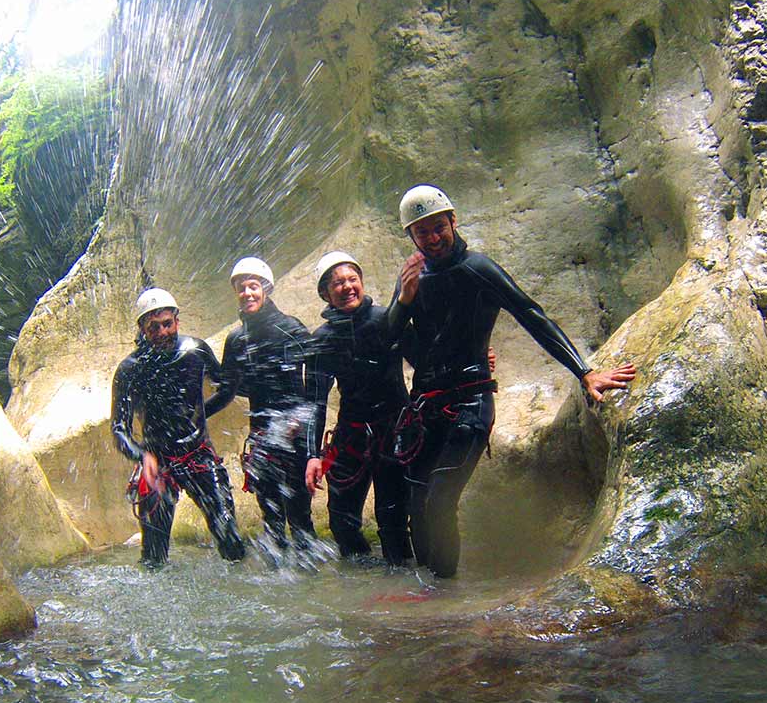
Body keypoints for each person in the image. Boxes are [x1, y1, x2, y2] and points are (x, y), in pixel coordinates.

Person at [388, 184, 636, 577]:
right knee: (416, 500)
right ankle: (426, 593)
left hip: (469, 401)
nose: (433, 238)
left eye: (439, 227)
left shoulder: (478, 269)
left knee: (439, 500)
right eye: (423, 232)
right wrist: (403, 300)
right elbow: (391, 340)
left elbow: (531, 315)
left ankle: (443, 588)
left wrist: (584, 372)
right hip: (427, 406)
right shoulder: (411, 280)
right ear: (411, 237)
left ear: (453, 221)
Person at [111, 287, 246, 568]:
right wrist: (142, 456)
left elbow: (226, 388)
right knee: (153, 557)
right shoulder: (129, 369)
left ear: (177, 321)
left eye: (167, 324)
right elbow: (119, 428)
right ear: (142, 329)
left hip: (197, 455)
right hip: (157, 463)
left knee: (230, 537)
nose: (161, 332)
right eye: (153, 327)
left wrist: (199, 414)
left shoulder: (194, 350)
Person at [304, 251, 413, 566]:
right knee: (341, 521)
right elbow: (315, 400)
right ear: (326, 293)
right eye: (338, 283)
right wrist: (313, 454)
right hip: (351, 436)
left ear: (362, 284)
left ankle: (403, 591)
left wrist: (477, 359)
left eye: (353, 280)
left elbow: (426, 359)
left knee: (392, 521)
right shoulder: (322, 340)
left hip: (395, 431)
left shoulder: (387, 319)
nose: (347, 287)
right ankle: (360, 593)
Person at [206, 257, 317, 551]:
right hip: (262, 441)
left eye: (253, 286)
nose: (247, 293)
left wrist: (304, 426)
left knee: (300, 518)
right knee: (272, 520)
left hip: (293, 440)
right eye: (241, 288)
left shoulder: (290, 329)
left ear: (265, 289)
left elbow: (317, 381)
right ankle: (279, 585)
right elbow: (227, 391)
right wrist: (196, 416)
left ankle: (311, 585)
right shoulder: (237, 339)